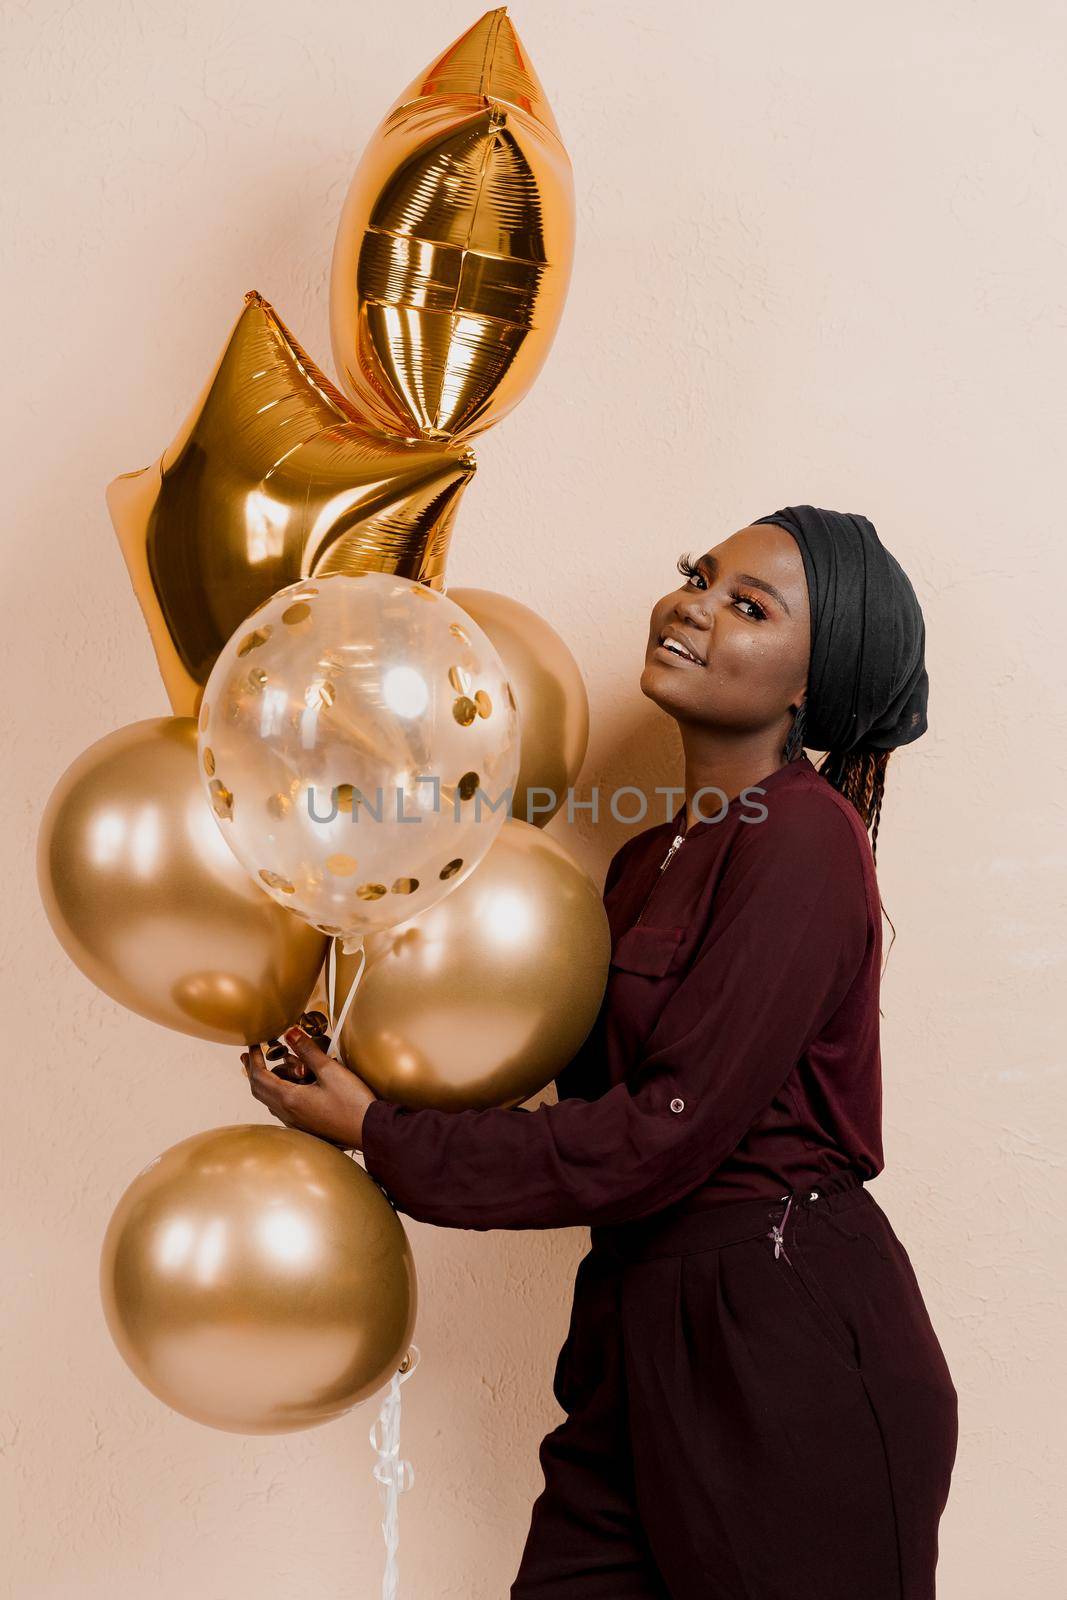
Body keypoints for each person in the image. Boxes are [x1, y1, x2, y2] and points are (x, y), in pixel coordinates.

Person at [242, 505, 959, 1600]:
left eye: (747, 604)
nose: (691, 605)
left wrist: (382, 1137)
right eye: (697, 575)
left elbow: (656, 1137)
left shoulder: (804, 836)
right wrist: (361, 1062)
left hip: (781, 1342)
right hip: (635, 1333)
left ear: (811, 684)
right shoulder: (635, 866)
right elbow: (577, 1105)